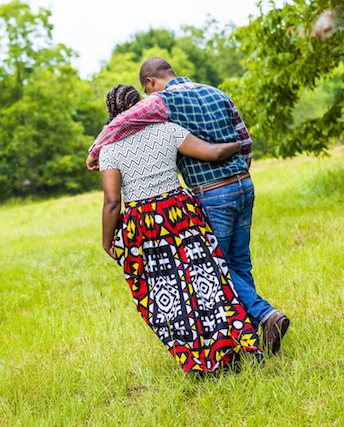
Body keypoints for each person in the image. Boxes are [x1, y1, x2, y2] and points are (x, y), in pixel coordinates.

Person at [89, 58, 289, 355]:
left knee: (215, 268)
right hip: (242, 184)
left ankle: (265, 316)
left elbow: (123, 123)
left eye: (147, 91)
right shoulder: (215, 93)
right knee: (238, 262)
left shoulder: (161, 101)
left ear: (150, 82)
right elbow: (243, 138)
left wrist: (95, 151)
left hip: (210, 193)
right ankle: (251, 336)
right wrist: (238, 171)